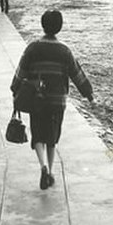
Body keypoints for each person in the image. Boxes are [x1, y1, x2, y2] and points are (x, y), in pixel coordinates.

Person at [10, 10, 93, 190]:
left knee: (38, 134)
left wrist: (14, 87)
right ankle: (51, 171)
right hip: (57, 101)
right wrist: (88, 92)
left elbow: (21, 72)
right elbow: (77, 74)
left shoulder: (32, 48)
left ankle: (43, 167)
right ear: (59, 27)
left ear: (42, 24)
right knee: (52, 137)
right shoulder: (64, 51)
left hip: (36, 99)